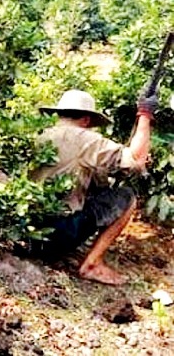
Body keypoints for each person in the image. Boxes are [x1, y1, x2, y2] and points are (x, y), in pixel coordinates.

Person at [30, 89, 156, 285]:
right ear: (87, 120)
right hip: (54, 237)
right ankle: (92, 263)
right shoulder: (84, 139)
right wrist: (145, 115)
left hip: (24, 232)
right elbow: (136, 159)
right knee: (127, 197)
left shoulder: (38, 134)